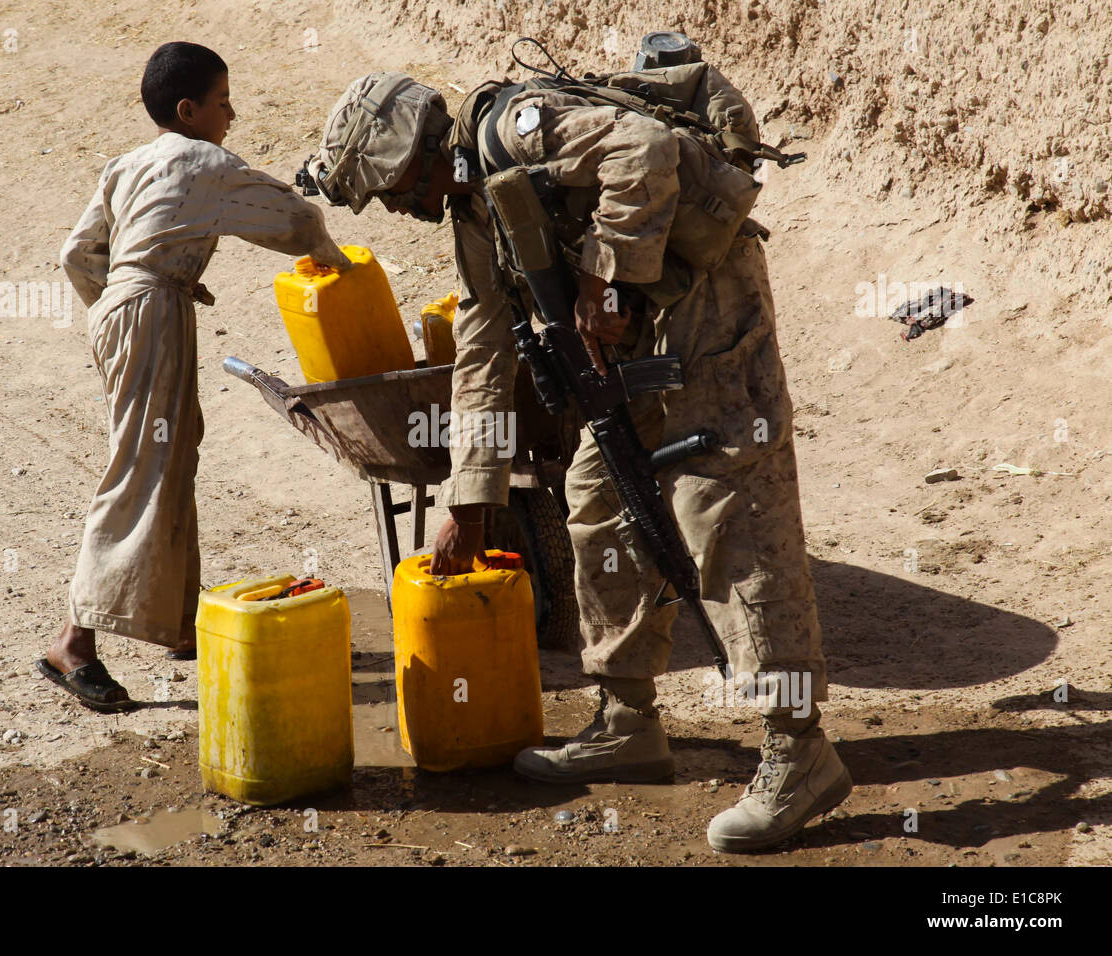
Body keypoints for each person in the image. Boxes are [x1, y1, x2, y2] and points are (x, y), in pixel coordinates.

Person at [308, 64, 852, 852]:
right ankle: (628, 718)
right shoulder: (474, 216)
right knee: (600, 502)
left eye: (394, 192)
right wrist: (470, 500)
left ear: (415, 159)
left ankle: (798, 747)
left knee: (727, 511)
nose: (401, 209)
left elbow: (645, 149)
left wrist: (606, 274)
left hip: (709, 309)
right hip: (631, 342)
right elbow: (483, 351)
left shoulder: (517, 128)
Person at [39, 41, 350, 712]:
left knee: (172, 458)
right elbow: (293, 218)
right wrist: (335, 262)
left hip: (130, 310)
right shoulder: (202, 162)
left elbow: (76, 253)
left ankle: (181, 623)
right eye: (221, 101)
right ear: (189, 110)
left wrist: (123, 302)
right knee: (142, 469)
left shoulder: (128, 165)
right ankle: (73, 643)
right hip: (151, 311)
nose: (232, 113)